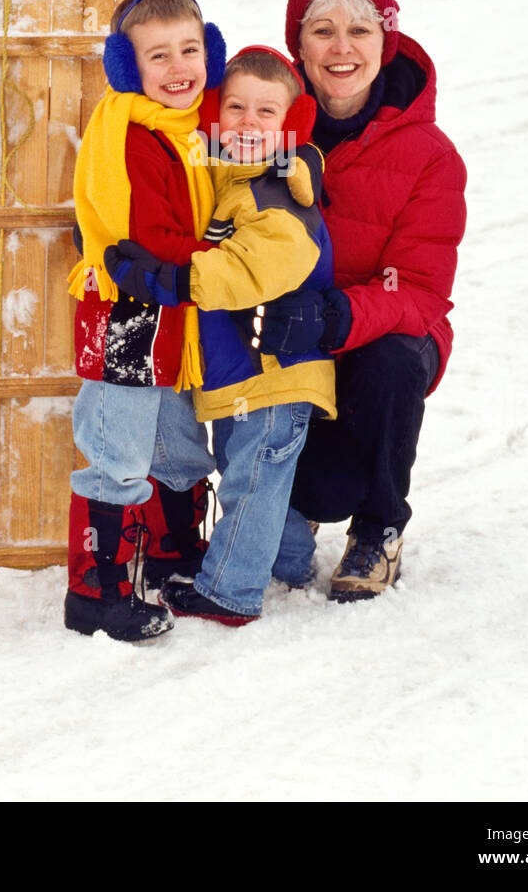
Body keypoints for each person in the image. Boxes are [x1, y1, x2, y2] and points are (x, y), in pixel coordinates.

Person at [255, 0, 467, 602]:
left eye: (358, 31)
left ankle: (379, 527)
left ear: (386, 43)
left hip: (373, 336)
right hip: (288, 334)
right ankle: (293, 502)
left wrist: (336, 315)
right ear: (300, 46)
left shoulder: (430, 155)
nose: (341, 48)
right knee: (322, 487)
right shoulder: (263, 127)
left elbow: (423, 290)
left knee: (395, 359)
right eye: (322, 31)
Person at [105, 47, 336, 624]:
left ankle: (230, 590)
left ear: (292, 123)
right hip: (243, 374)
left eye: (266, 111)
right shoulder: (224, 177)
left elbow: (259, 265)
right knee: (252, 474)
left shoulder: (280, 190)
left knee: (251, 478)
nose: (249, 123)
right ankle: (287, 561)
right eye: (235, 107)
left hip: (278, 371)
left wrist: (175, 279)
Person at [63, 0, 225, 643]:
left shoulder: (200, 126)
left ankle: (173, 554)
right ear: (129, 68)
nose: (179, 67)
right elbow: (149, 235)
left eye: (190, 49)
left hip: (178, 311)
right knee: (121, 448)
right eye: (158, 56)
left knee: (179, 443)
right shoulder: (129, 129)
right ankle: (96, 592)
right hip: (129, 309)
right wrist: (222, 250)